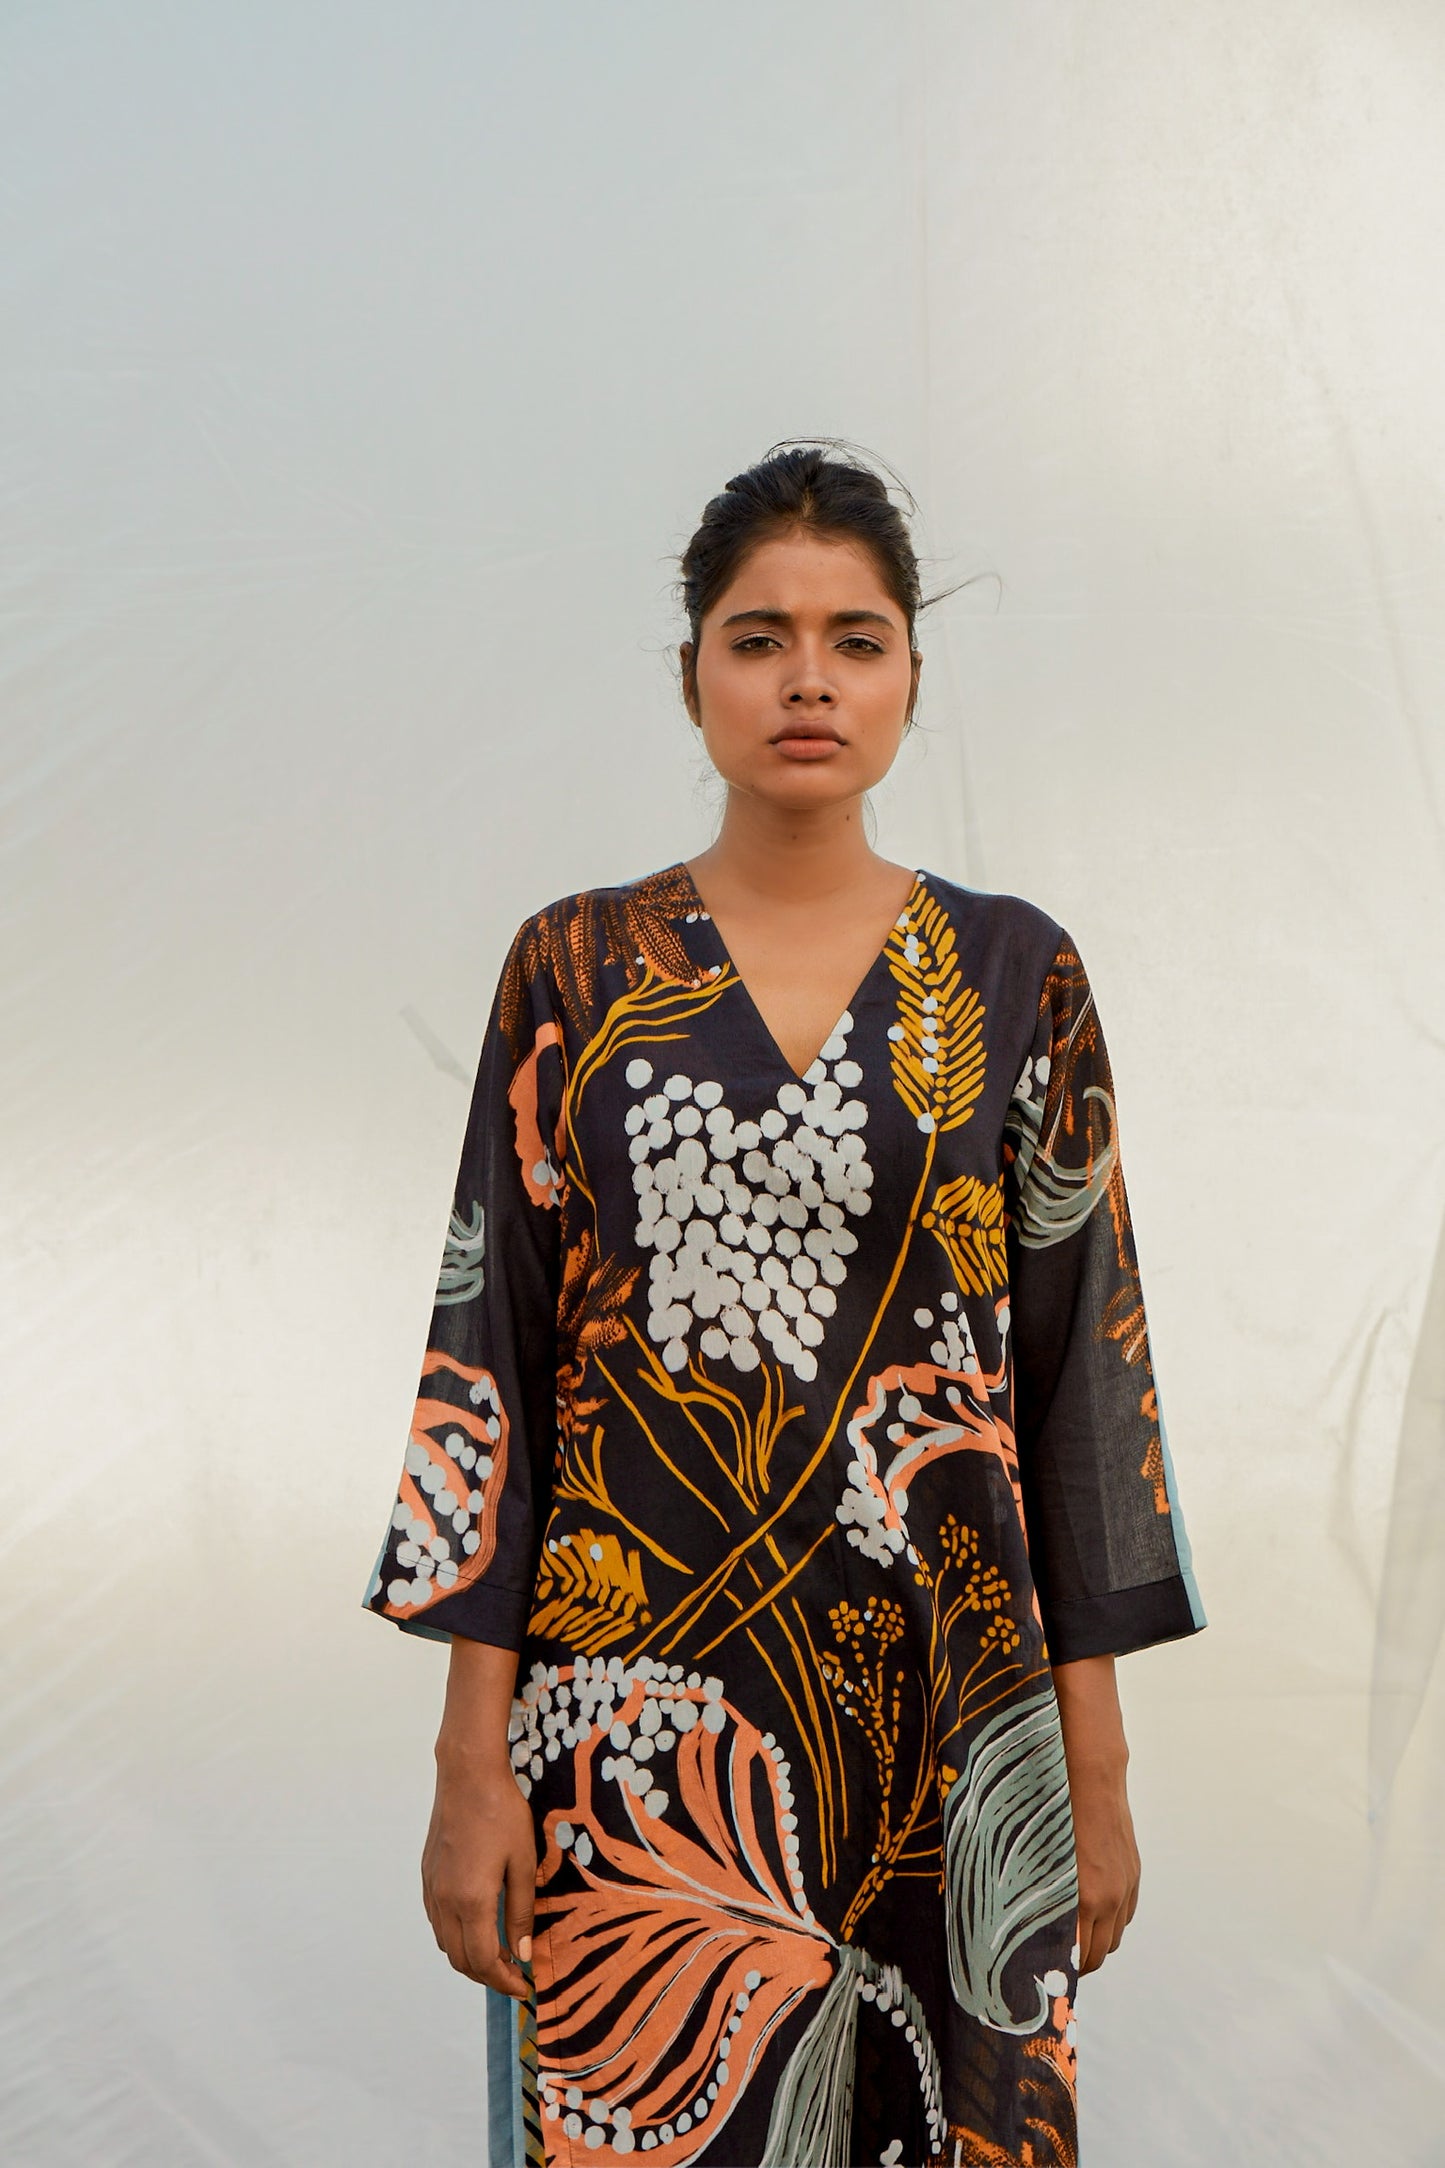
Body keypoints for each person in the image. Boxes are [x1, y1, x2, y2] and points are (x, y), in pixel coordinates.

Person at [364, 444, 1205, 2168]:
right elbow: (489, 1369)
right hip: (641, 1750)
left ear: (911, 679)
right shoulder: (574, 968)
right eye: (758, 639)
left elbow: (1081, 1385)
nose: (806, 679)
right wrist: (467, 1765)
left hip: (950, 1714)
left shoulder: (1014, 976)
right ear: (691, 676)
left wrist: (1092, 1771)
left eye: (853, 639)